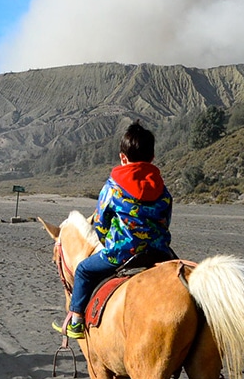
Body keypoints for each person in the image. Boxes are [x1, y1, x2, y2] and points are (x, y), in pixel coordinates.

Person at [57, 121, 174, 341]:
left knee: (83, 269)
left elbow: (100, 225)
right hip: (159, 252)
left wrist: (109, 239)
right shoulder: (162, 188)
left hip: (122, 253)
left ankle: (76, 322)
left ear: (123, 158)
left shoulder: (113, 187)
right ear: (152, 157)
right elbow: (165, 220)